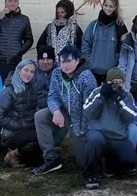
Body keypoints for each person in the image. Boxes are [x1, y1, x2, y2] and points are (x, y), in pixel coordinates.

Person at [32, 45, 97, 176]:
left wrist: (78, 130)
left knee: (84, 164)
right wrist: (56, 111)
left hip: (81, 121)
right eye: (63, 61)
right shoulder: (57, 74)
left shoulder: (87, 77)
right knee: (40, 116)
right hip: (64, 113)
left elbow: (90, 107)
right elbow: (52, 96)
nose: (65, 65)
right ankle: (51, 158)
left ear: (77, 60)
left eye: (69, 61)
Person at [80, 67, 137, 190]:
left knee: (131, 160)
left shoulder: (126, 95)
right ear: (107, 81)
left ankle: (110, 164)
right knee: (93, 140)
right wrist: (102, 96)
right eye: (114, 82)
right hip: (98, 133)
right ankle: (90, 175)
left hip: (117, 136)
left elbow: (131, 117)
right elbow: (87, 113)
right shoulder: (97, 92)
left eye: (120, 82)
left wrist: (120, 100)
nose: (117, 85)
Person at [0, 60, 43, 167]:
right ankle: (12, 154)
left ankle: (20, 154)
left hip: (27, 128)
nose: (28, 74)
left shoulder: (31, 88)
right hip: (12, 133)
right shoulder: (9, 90)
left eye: (32, 72)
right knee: (40, 136)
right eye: (26, 70)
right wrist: (19, 125)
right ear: (19, 70)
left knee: (39, 161)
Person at [82, 0, 128, 86]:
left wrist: (115, 62)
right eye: (106, 5)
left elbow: (123, 48)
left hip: (111, 72)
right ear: (102, 6)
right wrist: (90, 61)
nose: (108, 8)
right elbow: (85, 44)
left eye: (110, 6)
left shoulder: (119, 26)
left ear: (115, 8)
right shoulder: (93, 25)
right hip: (93, 70)